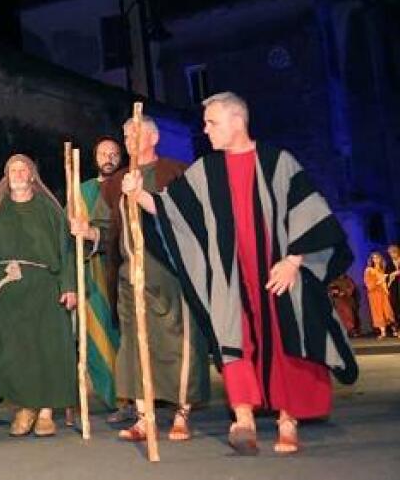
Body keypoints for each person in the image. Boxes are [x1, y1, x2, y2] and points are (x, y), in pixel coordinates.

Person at [124, 91, 357, 455]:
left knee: (284, 338)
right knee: (234, 339)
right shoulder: (205, 171)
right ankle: (243, 419)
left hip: (277, 272)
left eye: (212, 122)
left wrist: (294, 260)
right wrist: (139, 195)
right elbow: (172, 210)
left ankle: (287, 419)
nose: (206, 130)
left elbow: (309, 211)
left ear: (237, 121)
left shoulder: (278, 163)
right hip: (229, 278)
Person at [76, 117, 210, 443]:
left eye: (134, 132)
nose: (128, 138)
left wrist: (144, 197)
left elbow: (189, 221)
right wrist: (88, 231)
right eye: (125, 134)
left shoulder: (176, 173)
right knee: (135, 345)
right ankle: (143, 416)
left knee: (176, 340)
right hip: (127, 273)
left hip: (168, 272)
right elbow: (106, 228)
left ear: (153, 136)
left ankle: (181, 413)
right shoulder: (115, 182)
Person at [0, 154, 76, 438]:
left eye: (23, 170)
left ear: (32, 176)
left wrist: (69, 286)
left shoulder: (49, 209)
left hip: (45, 288)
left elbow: (65, 249)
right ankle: (26, 407)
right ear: (6, 176)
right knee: (17, 352)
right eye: (12, 170)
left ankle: (45, 412)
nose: (17, 174)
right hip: (9, 292)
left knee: (47, 349)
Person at [78, 137, 123, 416]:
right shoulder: (81, 191)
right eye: (103, 153)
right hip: (94, 271)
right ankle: (115, 396)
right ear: (95, 158)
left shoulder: (126, 185)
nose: (109, 158)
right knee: (101, 331)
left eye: (114, 154)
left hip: (122, 268)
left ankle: (135, 396)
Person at [364, 252, 396, 339]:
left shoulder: (383, 269)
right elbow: (368, 284)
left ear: (381, 259)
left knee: (388, 310)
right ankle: (383, 332)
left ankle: (395, 330)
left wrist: (386, 282)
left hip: (384, 293)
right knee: (378, 311)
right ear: (371, 260)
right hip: (374, 294)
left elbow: (388, 281)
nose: (376, 260)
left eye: (378, 258)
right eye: (374, 258)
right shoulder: (369, 270)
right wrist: (379, 281)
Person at [387, 244, 400, 335]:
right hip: (394, 288)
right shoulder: (389, 264)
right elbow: (387, 276)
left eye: (394, 252)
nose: (392, 254)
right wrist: (391, 275)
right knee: (395, 307)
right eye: (390, 253)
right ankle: (398, 328)